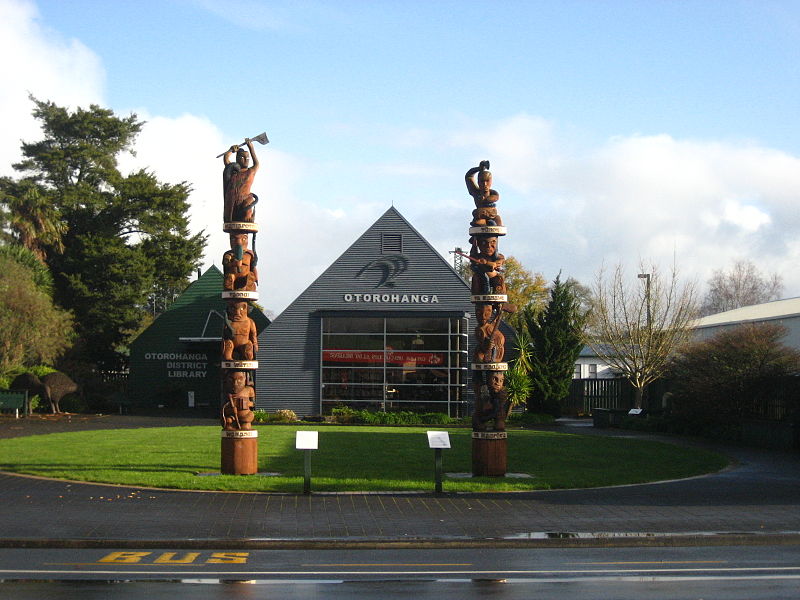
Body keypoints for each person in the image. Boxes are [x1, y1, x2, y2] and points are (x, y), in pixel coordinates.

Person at [223, 138, 260, 223]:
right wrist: (231, 150)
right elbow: (226, 160)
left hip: (245, 204)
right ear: (237, 159)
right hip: (233, 205)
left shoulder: (250, 172)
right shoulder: (233, 172)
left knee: (248, 203)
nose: (246, 159)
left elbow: (257, 164)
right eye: (243, 157)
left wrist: (251, 147)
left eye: (247, 157)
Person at [465, 160, 503, 227]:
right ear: (478, 182)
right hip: (480, 215)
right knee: (479, 223)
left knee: (499, 223)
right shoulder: (476, 192)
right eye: (482, 181)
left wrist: (487, 199)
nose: (485, 184)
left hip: (493, 215)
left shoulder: (494, 194)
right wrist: (478, 168)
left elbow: (495, 197)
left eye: (487, 181)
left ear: (491, 181)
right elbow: (468, 176)